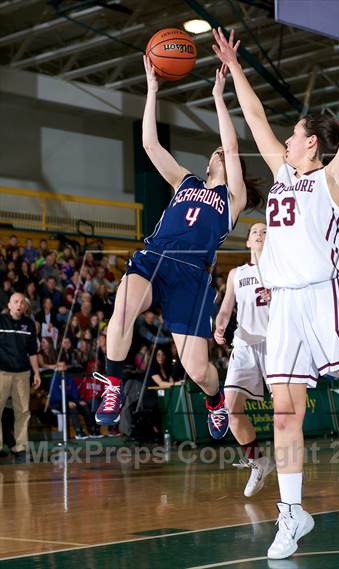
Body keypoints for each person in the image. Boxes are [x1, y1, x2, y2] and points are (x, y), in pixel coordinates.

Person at [213, 19, 339, 559]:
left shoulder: (331, 180)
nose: (285, 136)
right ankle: (292, 514)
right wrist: (235, 68)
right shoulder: (283, 174)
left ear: (312, 144)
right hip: (284, 304)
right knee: (284, 412)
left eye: (294, 132)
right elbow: (254, 116)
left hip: (326, 295)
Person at [93, 55, 264, 441]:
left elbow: (233, 147)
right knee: (121, 312)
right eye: (215, 152)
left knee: (198, 371)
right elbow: (150, 144)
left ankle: (215, 399)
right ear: (206, 163)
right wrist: (152, 91)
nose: (219, 152)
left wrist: (219, 97)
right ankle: (113, 385)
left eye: (221, 151)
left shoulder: (232, 199)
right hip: (155, 258)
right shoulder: (184, 182)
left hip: (192, 277)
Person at [214, 222, 275, 497]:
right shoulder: (236, 274)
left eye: (264, 232)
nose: (259, 234)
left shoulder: (281, 269)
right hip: (244, 344)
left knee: (286, 410)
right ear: (248, 242)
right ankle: (258, 461)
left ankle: (290, 480)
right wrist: (220, 325)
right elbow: (227, 307)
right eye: (254, 232)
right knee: (231, 410)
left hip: (275, 343)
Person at [0, 292, 41, 463]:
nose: (19, 305)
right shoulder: (1, 321)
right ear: (9, 305)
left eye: (22, 302)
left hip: (23, 373)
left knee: (23, 411)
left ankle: (21, 447)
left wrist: (36, 372)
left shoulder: (29, 324)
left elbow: (32, 352)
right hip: (2, 372)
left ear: (25, 306)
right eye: (15, 302)